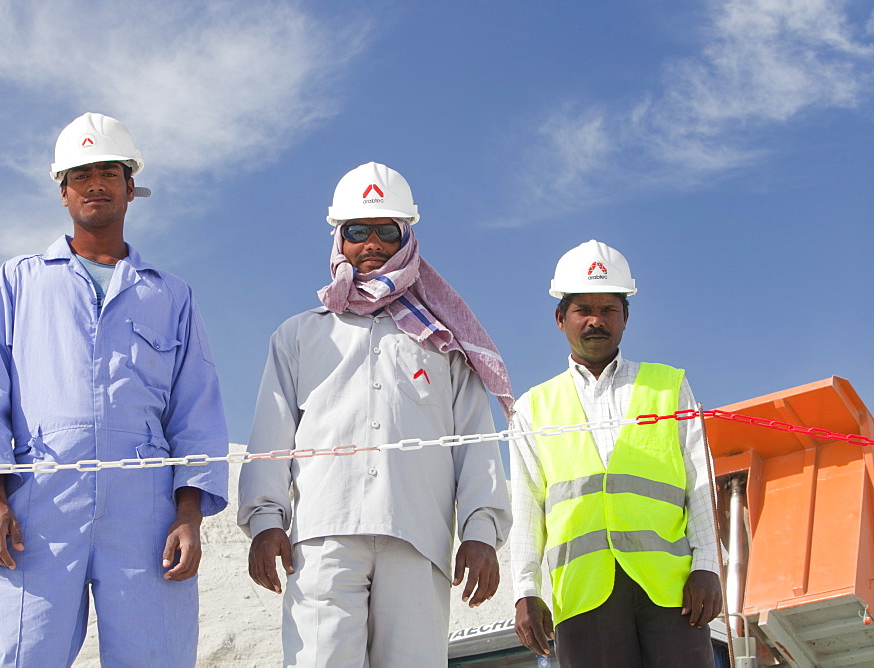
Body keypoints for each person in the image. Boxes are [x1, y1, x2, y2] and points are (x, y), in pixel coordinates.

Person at [0, 112, 229, 666]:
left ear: (130, 187)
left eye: (109, 171)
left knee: (155, 655)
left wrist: (188, 515)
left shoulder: (172, 296)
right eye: (81, 173)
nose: (96, 183)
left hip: (147, 512)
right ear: (62, 191)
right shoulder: (18, 282)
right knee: (21, 652)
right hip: (37, 503)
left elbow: (196, 411)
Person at [237, 162, 513, 666]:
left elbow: (475, 443)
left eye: (387, 232)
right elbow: (271, 435)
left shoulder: (445, 343)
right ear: (338, 240)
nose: (372, 245)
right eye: (357, 232)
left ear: (406, 238)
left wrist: (479, 533)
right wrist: (266, 521)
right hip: (321, 539)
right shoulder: (298, 335)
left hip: (417, 538)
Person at [509, 239, 722, 667]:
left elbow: (699, 481)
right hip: (582, 592)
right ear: (560, 319)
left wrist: (709, 567)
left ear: (625, 318)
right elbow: (527, 506)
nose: (595, 321)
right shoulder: (533, 406)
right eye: (582, 310)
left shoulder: (668, 385)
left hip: (671, 590)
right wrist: (526, 590)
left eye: (608, 309)